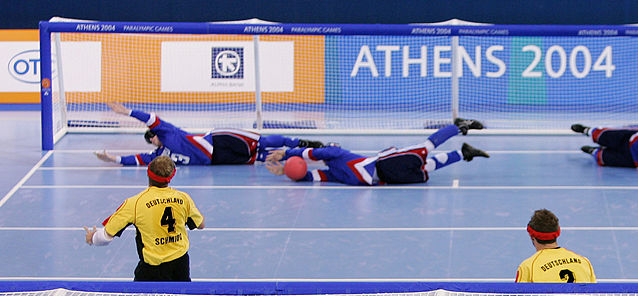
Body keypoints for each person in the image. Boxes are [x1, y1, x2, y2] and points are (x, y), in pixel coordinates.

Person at [83, 156, 207, 296]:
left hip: (153, 267)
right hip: (180, 262)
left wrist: (92, 238)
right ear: (171, 176)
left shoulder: (136, 203)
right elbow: (201, 224)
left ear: (148, 174)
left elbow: (106, 236)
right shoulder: (183, 198)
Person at [94, 102, 324, 166]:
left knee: (262, 141)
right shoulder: (159, 157)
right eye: (150, 137)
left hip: (216, 140)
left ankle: (305, 143)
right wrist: (111, 158)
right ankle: (305, 154)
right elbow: (133, 161)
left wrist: (127, 112)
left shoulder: (169, 133)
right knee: (262, 157)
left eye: (152, 134)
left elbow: (151, 119)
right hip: (217, 160)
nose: (153, 136)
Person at [265, 119, 488, 185]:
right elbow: (312, 176)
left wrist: (287, 154)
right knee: (424, 170)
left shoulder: (338, 155)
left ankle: (459, 126)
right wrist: (287, 171)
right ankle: (462, 153)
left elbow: (316, 153)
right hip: (383, 180)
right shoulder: (334, 174)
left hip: (383, 163)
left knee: (424, 148)